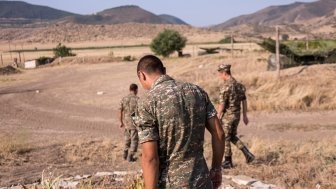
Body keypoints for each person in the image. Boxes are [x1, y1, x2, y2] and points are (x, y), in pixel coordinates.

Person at [136, 55, 225, 189]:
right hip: (202, 181)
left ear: (141, 75)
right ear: (164, 70)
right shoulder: (197, 92)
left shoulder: (147, 102)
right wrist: (216, 169)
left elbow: (150, 157)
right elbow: (219, 133)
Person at [217, 64, 255, 169]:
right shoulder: (239, 85)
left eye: (220, 74)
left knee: (225, 138)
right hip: (237, 115)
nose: (219, 76)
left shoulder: (225, 86)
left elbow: (222, 103)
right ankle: (248, 155)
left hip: (228, 117)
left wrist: (218, 115)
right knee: (232, 136)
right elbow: (244, 100)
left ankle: (228, 161)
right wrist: (245, 116)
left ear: (224, 73)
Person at [119, 83, 139, 162]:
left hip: (126, 123)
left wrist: (121, 121)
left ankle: (125, 154)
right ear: (136, 90)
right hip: (134, 123)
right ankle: (130, 156)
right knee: (134, 140)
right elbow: (139, 112)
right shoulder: (138, 99)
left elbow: (120, 111)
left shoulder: (124, 99)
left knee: (127, 139)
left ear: (129, 89)